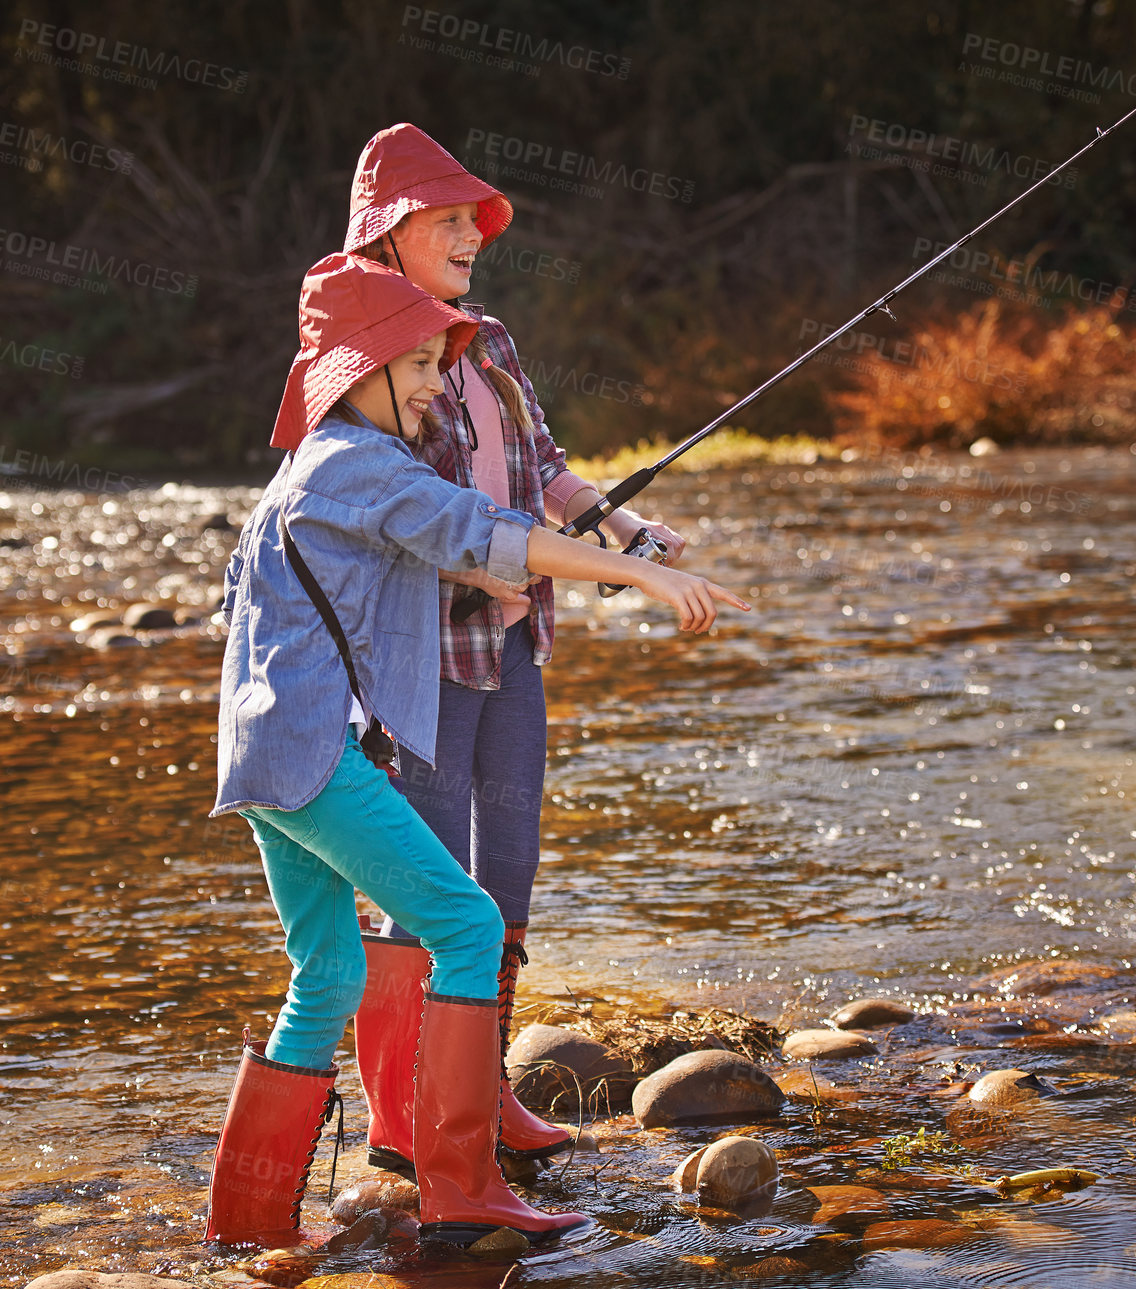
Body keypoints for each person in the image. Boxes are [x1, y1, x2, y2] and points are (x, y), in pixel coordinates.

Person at [205, 253, 747, 1251]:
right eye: (411, 362)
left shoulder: (307, 465)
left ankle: (244, 1227)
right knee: (464, 920)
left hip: (261, 753)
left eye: (432, 359)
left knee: (323, 971)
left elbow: (242, 608)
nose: (428, 381)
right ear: (352, 370)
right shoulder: (364, 466)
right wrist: (639, 573)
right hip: (316, 757)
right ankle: (460, 1186)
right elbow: (491, 531)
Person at [339, 123, 688, 1176]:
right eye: (447, 221)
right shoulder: (360, 355)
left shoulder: (487, 337)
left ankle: (481, 1092)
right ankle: (410, 1120)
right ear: (389, 234)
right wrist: (473, 563)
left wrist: (626, 530)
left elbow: (542, 466)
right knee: (428, 887)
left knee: (510, 878)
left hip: (516, 646)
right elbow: (375, 507)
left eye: (472, 222)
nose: (470, 237)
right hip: (423, 664)